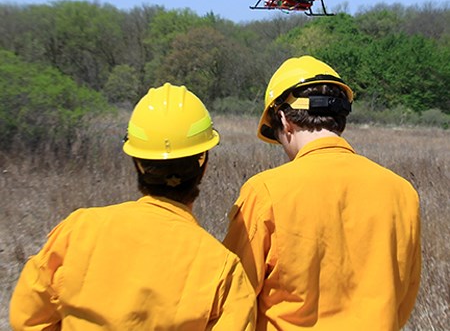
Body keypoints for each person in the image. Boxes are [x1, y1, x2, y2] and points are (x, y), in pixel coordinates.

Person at [10, 83, 256, 330]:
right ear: (204, 164)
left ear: (137, 162)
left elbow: (28, 319)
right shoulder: (223, 270)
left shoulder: (77, 231)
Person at [223, 56, 421, 331]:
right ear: (340, 118)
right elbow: (403, 297)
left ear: (284, 120)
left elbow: (231, 302)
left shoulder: (265, 192)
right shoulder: (402, 193)